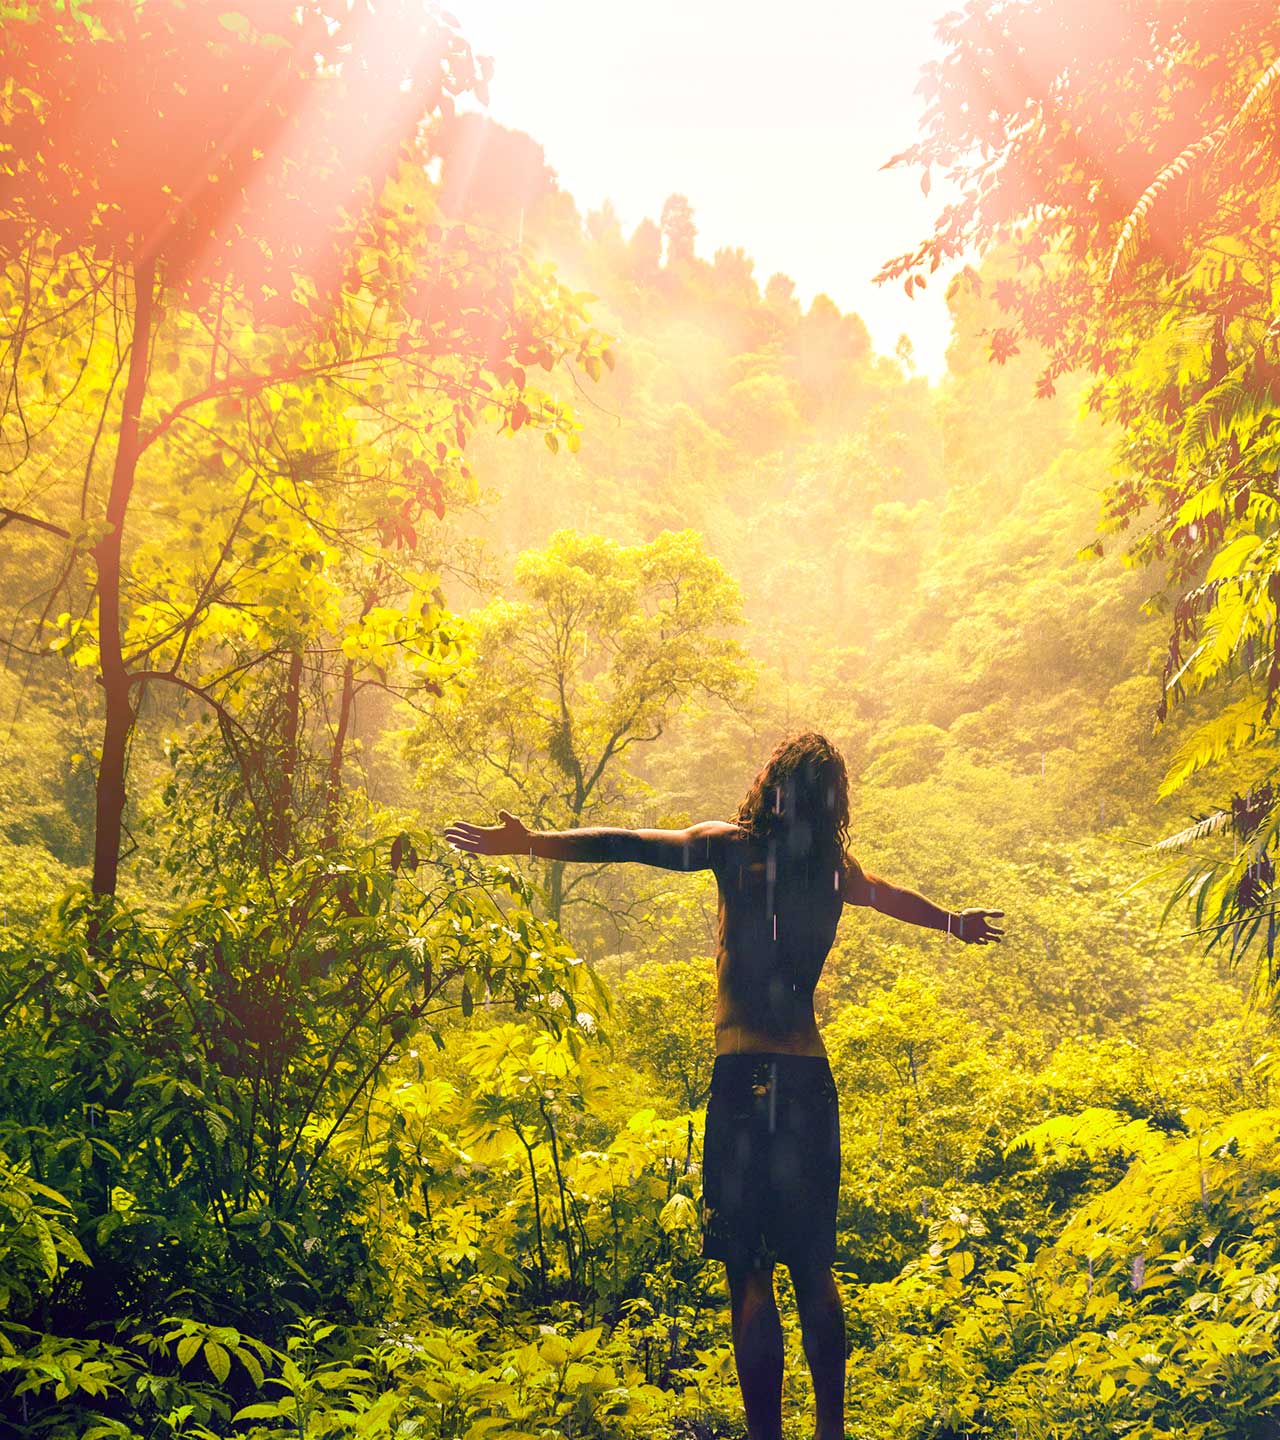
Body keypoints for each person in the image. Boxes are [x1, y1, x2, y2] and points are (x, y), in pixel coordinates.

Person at [443, 730, 1004, 1440]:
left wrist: (531, 843)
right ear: (832, 803)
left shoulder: (731, 847)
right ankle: (831, 1432)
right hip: (808, 1081)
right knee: (813, 1268)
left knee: (750, 1270)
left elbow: (626, 842)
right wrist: (952, 922)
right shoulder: (835, 872)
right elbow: (890, 897)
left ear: (773, 784)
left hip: (745, 1078)